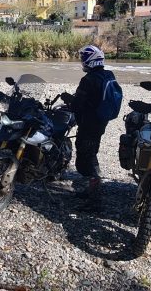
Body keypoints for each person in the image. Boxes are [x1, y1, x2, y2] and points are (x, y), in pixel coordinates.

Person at [61, 45, 117, 211]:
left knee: (87, 157)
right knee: (90, 153)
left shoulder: (88, 79)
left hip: (89, 123)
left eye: (84, 58)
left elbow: (79, 103)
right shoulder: (107, 74)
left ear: (90, 60)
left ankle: (95, 200)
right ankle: (90, 190)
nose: (82, 61)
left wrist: (68, 99)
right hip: (100, 121)